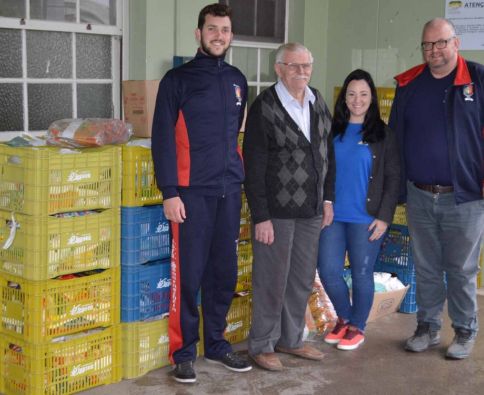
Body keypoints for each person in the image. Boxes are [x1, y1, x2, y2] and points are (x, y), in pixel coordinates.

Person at [151, 3, 251, 383]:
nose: (219, 35)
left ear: (230, 36)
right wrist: (170, 192)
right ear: (199, 33)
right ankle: (183, 351)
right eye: (212, 29)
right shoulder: (177, 80)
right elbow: (162, 139)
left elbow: (235, 138)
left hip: (229, 190)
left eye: (225, 30)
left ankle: (217, 342)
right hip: (191, 195)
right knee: (189, 275)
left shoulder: (238, 80)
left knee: (223, 273)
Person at [389, 17, 484, 360]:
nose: (434, 51)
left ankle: (464, 330)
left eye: (441, 43)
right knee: (426, 266)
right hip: (419, 193)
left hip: (465, 197)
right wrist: (397, 189)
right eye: (428, 45)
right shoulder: (410, 84)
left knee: (460, 269)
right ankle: (427, 327)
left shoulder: (477, 79)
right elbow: (395, 140)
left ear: (456, 43)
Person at [243, 42, 335, 371]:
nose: (301, 72)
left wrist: (327, 198)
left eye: (306, 66)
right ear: (279, 69)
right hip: (277, 214)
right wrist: (261, 217)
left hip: (311, 210)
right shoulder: (264, 107)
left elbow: (328, 155)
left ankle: (291, 339)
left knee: (300, 278)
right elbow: (252, 167)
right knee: (272, 279)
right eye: (293, 66)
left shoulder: (317, 101)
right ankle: (262, 344)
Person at [317, 69, 400, 351]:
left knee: (362, 274)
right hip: (333, 216)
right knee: (328, 270)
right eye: (351, 94)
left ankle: (357, 327)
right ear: (344, 98)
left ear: (372, 98)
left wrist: (384, 217)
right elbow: (322, 170)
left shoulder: (383, 134)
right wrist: (325, 202)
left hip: (367, 218)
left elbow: (392, 178)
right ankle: (345, 317)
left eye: (364, 94)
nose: (357, 99)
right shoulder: (332, 130)